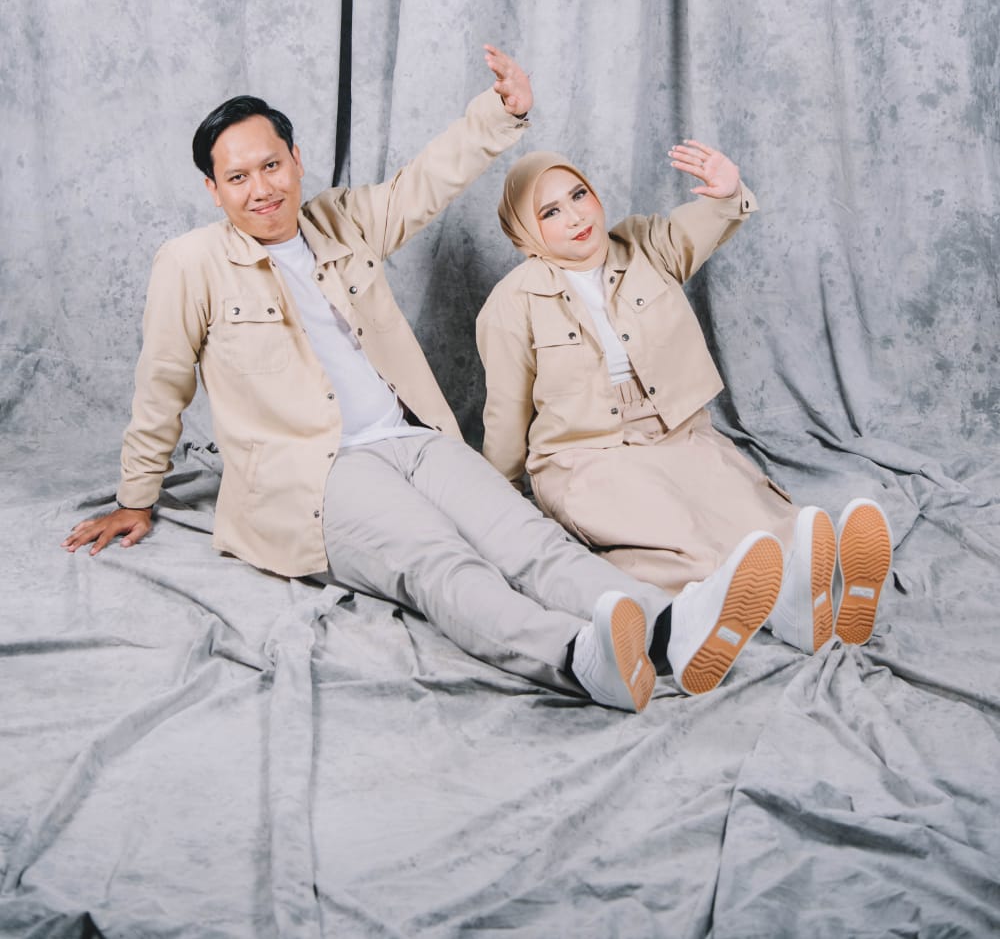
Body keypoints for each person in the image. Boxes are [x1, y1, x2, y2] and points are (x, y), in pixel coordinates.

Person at [62, 51, 784, 712]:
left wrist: (500, 113)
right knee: (441, 562)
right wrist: (136, 496)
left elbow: (427, 181)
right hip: (318, 473)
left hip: (412, 439)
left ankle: (669, 628)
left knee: (530, 541)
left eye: (272, 165)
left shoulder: (342, 222)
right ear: (214, 189)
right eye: (238, 177)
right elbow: (162, 382)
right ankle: (576, 657)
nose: (261, 188)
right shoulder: (189, 263)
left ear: (296, 160)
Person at [476, 139, 894, 656]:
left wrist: (726, 192)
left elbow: (705, 221)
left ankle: (816, 587)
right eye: (550, 212)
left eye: (579, 195)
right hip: (581, 453)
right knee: (673, 525)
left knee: (751, 514)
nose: (576, 217)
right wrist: (496, 503)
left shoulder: (645, 245)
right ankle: (764, 604)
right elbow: (505, 410)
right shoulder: (510, 304)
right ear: (524, 231)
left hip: (674, 429)